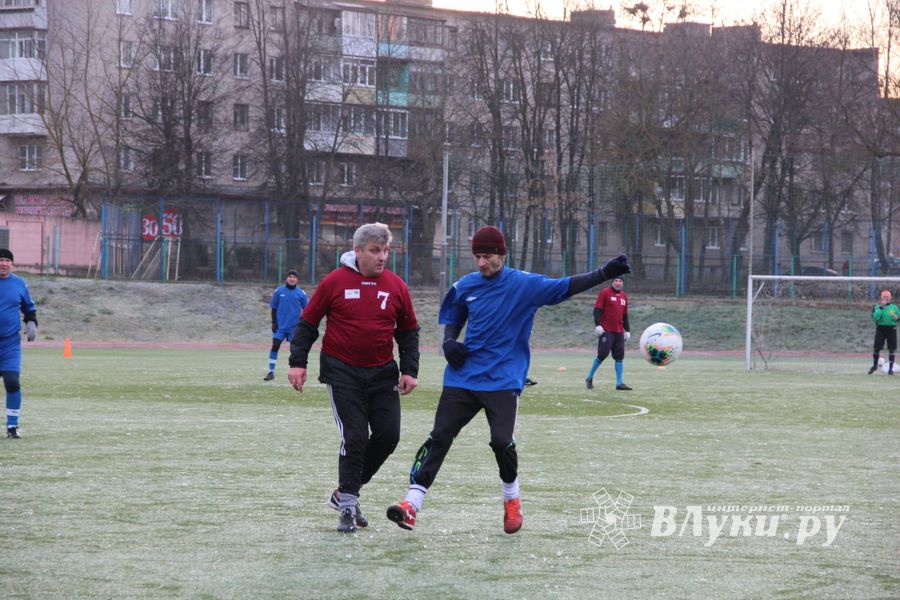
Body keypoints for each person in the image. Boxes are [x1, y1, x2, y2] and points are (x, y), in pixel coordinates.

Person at [386, 226, 630, 534]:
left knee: (501, 442)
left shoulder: (524, 285)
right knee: (439, 437)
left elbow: (564, 286)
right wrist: (449, 342)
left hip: (503, 380)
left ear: (502, 255)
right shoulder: (466, 285)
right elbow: (454, 313)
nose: (481, 263)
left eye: (487, 256)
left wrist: (604, 273)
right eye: (477, 256)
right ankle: (411, 505)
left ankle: (511, 499)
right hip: (462, 378)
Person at [288, 223, 419, 533]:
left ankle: (342, 493)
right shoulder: (334, 281)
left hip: (382, 373)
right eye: (375, 251)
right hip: (342, 372)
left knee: (388, 436)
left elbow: (409, 332)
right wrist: (297, 363)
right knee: (356, 436)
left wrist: (409, 369)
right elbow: (307, 324)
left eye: (386, 250)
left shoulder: (396, 286)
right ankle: (347, 505)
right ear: (358, 251)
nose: (382, 257)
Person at [0, 249, 37, 439]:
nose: (3, 263)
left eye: (7, 260)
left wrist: (31, 323)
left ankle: (12, 427)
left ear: (12, 264)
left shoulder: (19, 284)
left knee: (12, 383)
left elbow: (28, 308)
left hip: (10, 344)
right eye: (0, 260)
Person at [585, 276, 632, 391]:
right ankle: (589, 377)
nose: (618, 283)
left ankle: (619, 383)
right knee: (602, 355)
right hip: (607, 330)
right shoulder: (605, 293)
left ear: (623, 283)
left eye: (620, 281)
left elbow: (625, 315)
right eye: (616, 280)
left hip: (619, 331)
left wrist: (628, 330)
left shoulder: (624, 296)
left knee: (619, 357)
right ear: (612, 282)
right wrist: (598, 324)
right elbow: (597, 310)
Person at [264, 269, 308, 381]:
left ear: (297, 279)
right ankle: (271, 372)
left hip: (295, 328)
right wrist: (274, 323)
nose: (292, 278)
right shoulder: (279, 291)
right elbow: (274, 308)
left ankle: (294, 372)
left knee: (294, 350)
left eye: (294, 277)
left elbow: (307, 310)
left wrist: (304, 325)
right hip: (281, 327)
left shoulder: (301, 293)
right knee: (275, 346)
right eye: (290, 276)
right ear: (286, 278)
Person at [868, 289, 899, 374]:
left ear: (890, 298)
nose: (886, 298)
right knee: (876, 348)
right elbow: (875, 317)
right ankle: (874, 366)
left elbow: (898, 317)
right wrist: (881, 307)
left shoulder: (894, 307)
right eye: (884, 297)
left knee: (892, 349)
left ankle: (890, 369)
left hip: (891, 329)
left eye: (887, 297)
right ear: (881, 298)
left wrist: (897, 318)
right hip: (880, 329)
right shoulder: (877, 307)